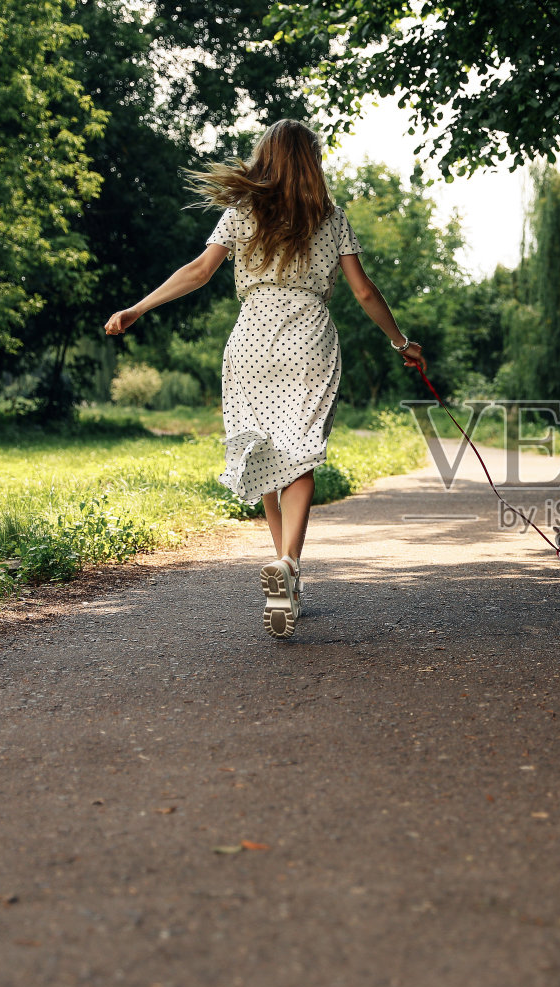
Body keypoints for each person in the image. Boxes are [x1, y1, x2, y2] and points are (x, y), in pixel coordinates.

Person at [104, 119, 426, 637]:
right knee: (300, 453)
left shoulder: (242, 211)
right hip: (308, 340)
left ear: (265, 158)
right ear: (312, 162)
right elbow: (364, 292)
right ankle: (289, 565)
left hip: (251, 340)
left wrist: (137, 308)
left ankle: (285, 572)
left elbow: (198, 272)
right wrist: (401, 343)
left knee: (266, 453)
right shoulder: (331, 217)